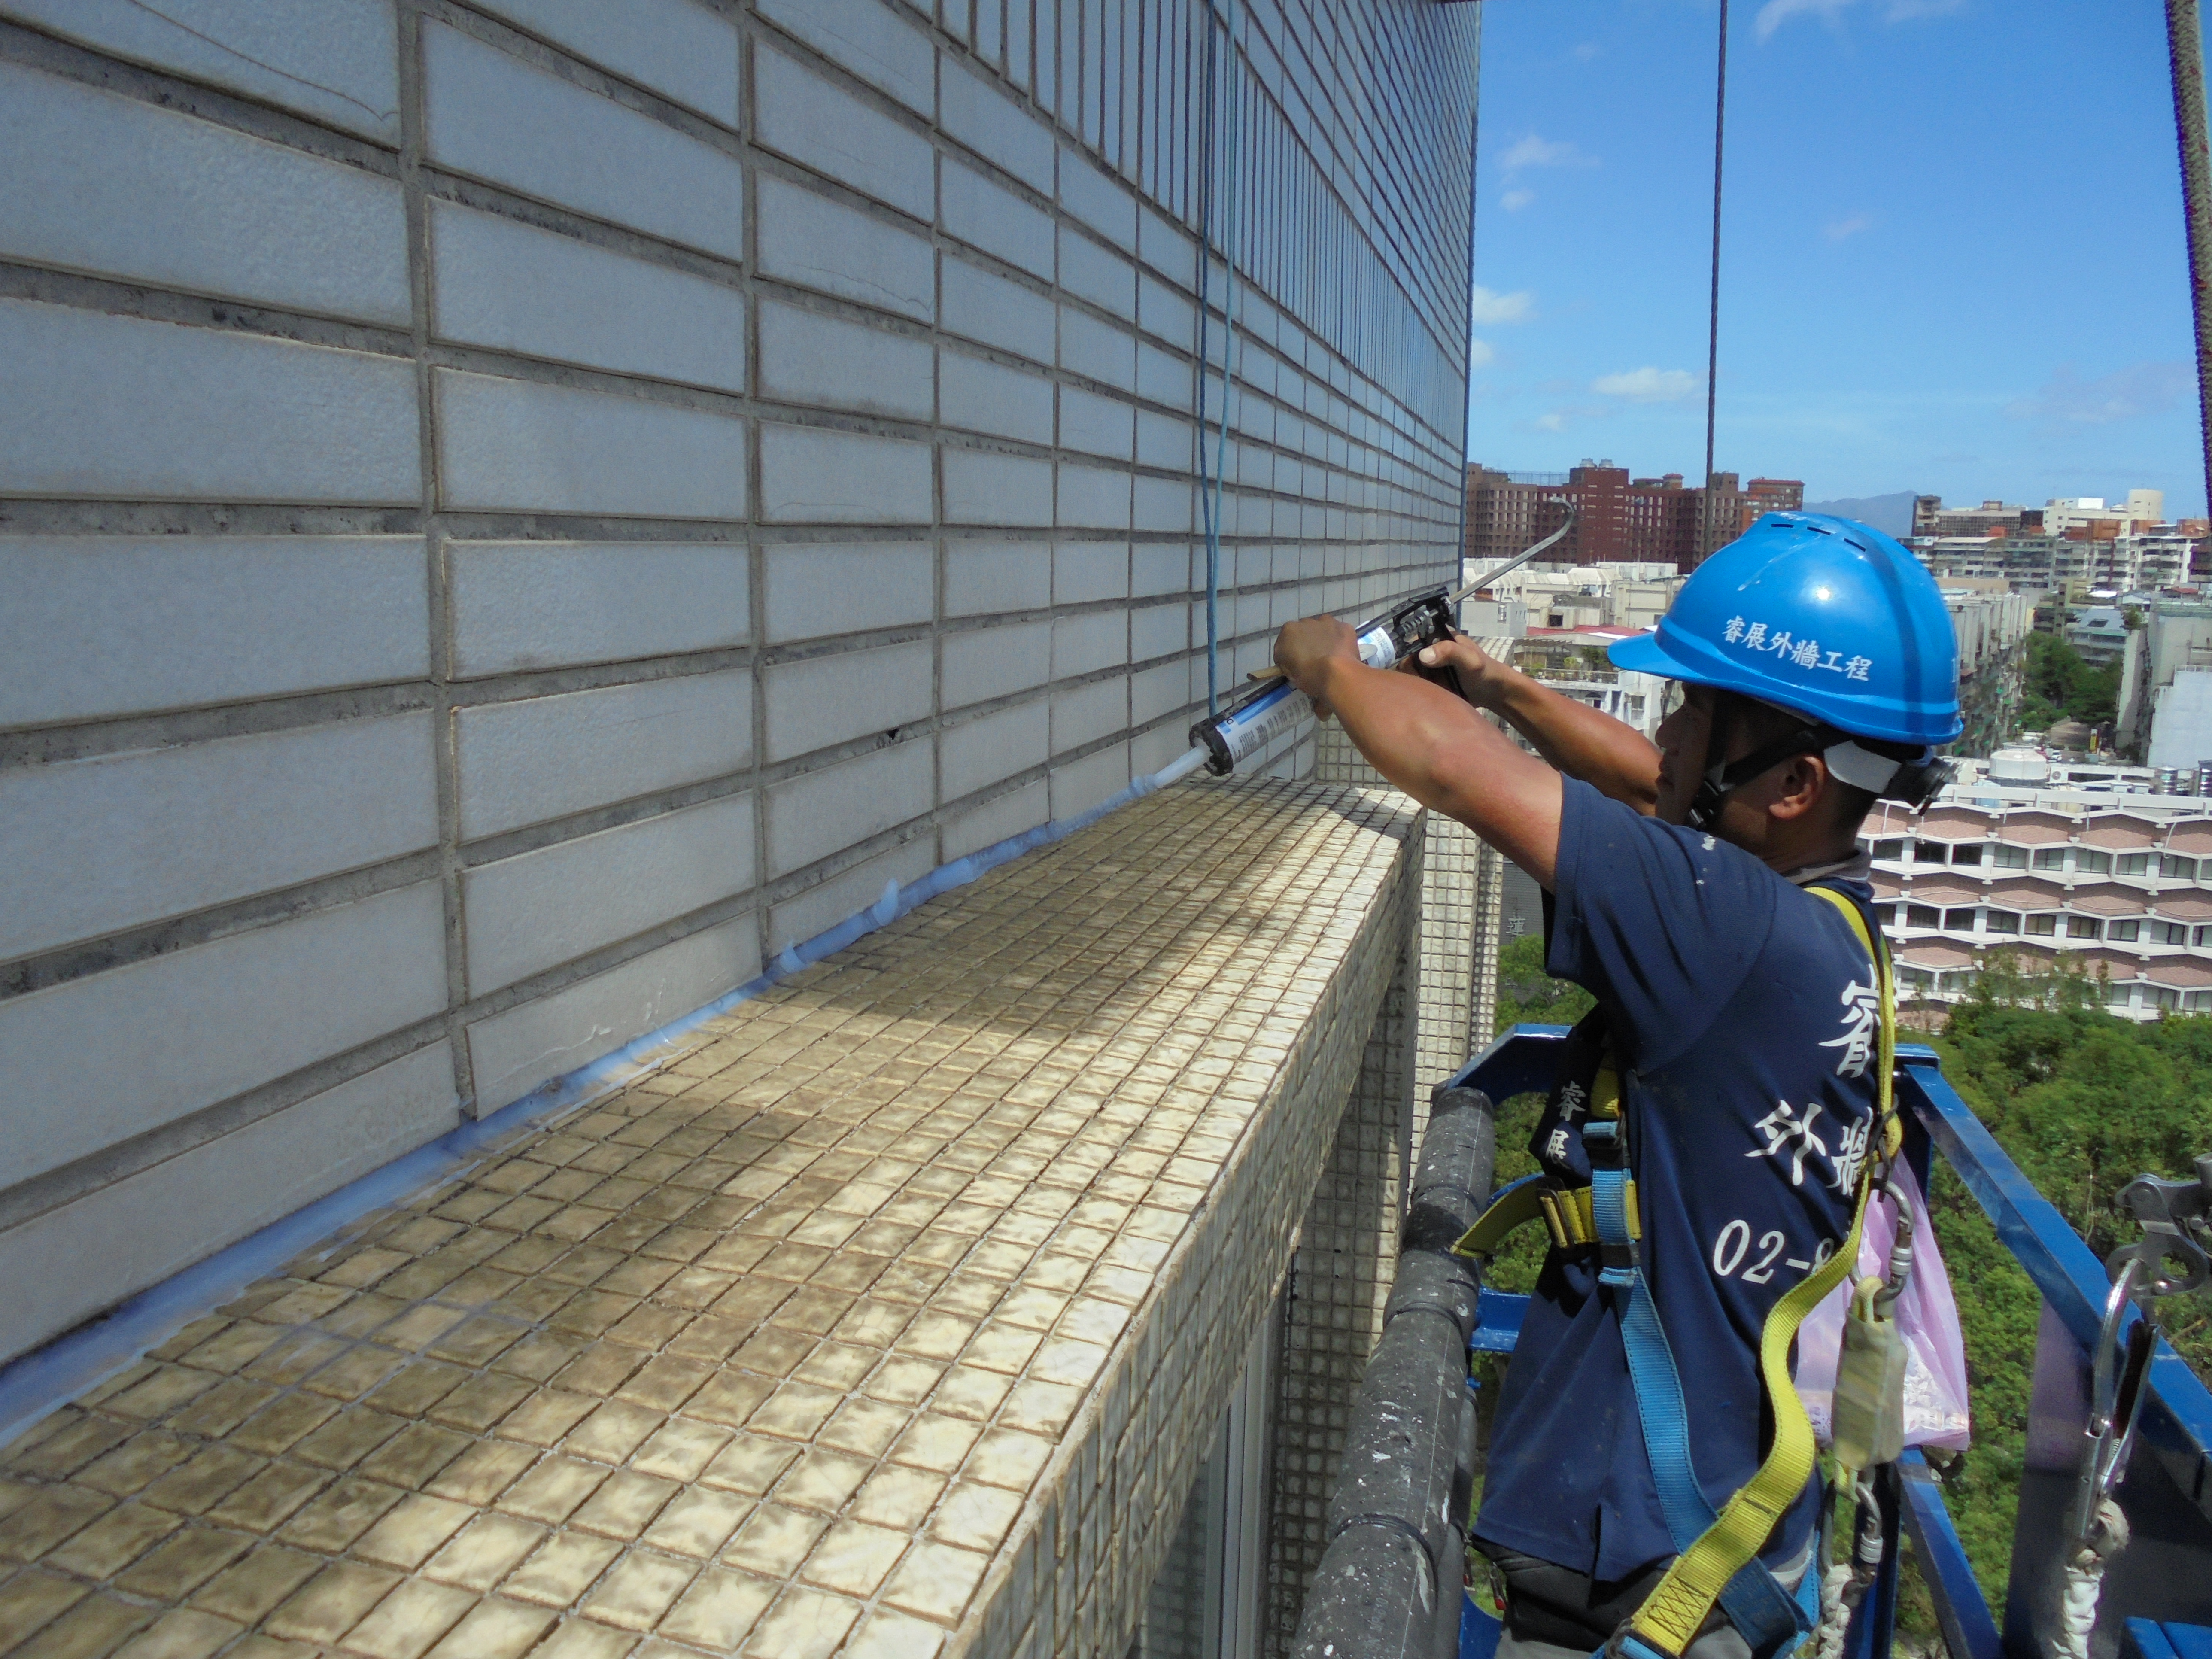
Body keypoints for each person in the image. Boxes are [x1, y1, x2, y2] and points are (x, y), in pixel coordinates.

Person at [1272, 512, 1960, 1659]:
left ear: (1792, 782)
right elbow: (1661, 787)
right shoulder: (1818, 914)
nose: (1668, 731)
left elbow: (1454, 771)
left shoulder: (1722, 927)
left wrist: (1329, 663)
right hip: (1730, 1536)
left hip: (1644, 1581)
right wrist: (1499, 683)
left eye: (1695, 709)